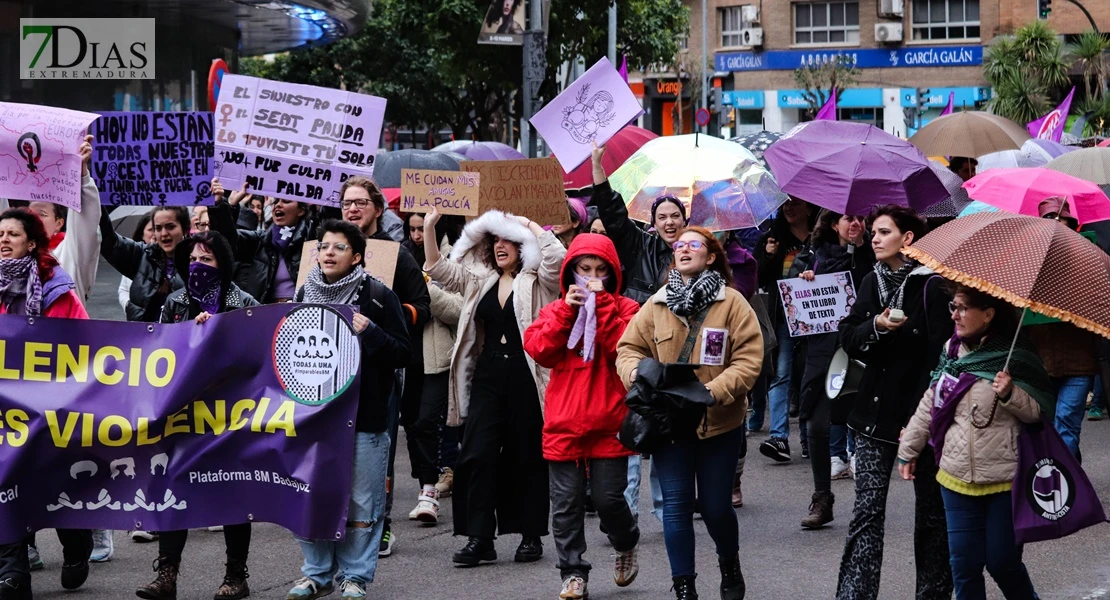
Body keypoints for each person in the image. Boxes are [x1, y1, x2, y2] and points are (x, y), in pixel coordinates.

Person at [616, 226, 764, 600]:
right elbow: (628, 349)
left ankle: (729, 562)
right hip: (670, 425)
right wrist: (637, 376)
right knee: (676, 509)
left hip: (719, 423)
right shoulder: (657, 304)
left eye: (692, 245)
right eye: (678, 246)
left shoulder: (732, 303)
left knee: (715, 508)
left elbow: (748, 360)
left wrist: (710, 393)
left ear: (711, 256)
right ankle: (685, 588)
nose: (682, 249)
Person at [422, 207, 565, 567]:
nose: (500, 245)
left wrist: (528, 223)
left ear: (522, 245)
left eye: (508, 240)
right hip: (486, 378)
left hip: (526, 377)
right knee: (476, 455)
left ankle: (530, 536)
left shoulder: (538, 279)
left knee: (527, 457)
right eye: (495, 239)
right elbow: (441, 271)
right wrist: (429, 229)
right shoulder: (481, 278)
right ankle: (479, 538)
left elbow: (559, 260)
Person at [898, 285, 1053, 600]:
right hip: (955, 477)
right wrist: (908, 449)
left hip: (1004, 480)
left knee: (1003, 563)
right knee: (965, 567)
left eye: (962, 308)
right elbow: (933, 400)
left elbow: (1039, 413)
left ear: (988, 314)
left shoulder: (1017, 355)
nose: (954, 315)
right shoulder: (952, 350)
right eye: (953, 306)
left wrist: (1010, 394)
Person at [286, 219, 412, 600]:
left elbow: (404, 353)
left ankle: (354, 576)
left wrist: (371, 332)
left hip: (365, 418)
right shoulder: (303, 295)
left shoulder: (377, 295)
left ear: (356, 256)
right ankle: (317, 573)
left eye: (338, 247)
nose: (328, 252)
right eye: (323, 246)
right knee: (312, 495)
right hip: (314, 419)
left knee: (362, 500)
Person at [835, 205, 953, 600]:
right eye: (872, 232)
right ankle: (854, 595)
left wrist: (918, 423)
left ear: (908, 239)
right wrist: (876, 326)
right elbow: (848, 335)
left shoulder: (932, 287)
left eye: (884, 232)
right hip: (870, 417)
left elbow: (939, 358)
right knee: (866, 514)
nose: (874, 238)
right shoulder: (872, 281)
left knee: (932, 518)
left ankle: (932, 594)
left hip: (918, 422)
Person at [136, 231, 258, 600]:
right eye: (192, 260)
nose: (197, 267)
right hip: (185, 415)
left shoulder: (243, 303)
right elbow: (161, 354)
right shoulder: (175, 303)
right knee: (175, 488)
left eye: (206, 260)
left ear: (222, 263)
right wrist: (189, 336)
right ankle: (167, 575)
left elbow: (255, 361)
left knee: (233, 492)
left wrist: (217, 336)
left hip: (230, 417)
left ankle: (236, 576)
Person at [523, 233, 642, 600]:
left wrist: (602, 303)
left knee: (609, 501)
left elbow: (622, 345)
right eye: (584, 269)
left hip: (610, 421)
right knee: (565, 506)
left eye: (600, 270)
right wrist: (565, 310)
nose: (591, 277)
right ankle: (573, 572)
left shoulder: (626, 307)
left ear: (612, 274)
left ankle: (626, 540)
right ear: (571, 272)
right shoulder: (557, 307)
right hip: (564, 421)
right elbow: (539, 348)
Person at [0, 208, 92, 600]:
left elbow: (86, 345)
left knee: (52, 484)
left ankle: (77, 547)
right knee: (5, 485)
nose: (3, 241)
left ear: (32, 242)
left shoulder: (57, 288)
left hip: (51, 408)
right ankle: (13, 574)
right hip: (6, 410)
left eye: (12, 235)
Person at [339, 176, 431, 555]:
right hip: (334, 368)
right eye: (347, 203)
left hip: (380, 369)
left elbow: (422, 306)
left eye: (361, 202)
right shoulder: (326, 249)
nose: (353, 209)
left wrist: (386, 318)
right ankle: (341, 520)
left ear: (378, 208)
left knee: (379, 449)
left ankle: (381, 523)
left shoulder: (396, 254)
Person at [795, 210, 874, 528]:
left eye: (860, 219)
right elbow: (795, 304)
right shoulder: (813, 255)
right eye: (848, 218)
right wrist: (805, 279)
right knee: (817, 425)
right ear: (833, 224)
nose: (855, 224)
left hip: (862, 351)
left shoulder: (872, 255)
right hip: (823, 354)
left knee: (866, 423)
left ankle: (870, 500)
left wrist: (859, 253)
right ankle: (822, 498)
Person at [399, 211, 463, 522]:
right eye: (410, 228)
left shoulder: (456, 256)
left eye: (421, 228)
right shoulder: (396, 254)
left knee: (427, 422)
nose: (415, 235)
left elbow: (458, 309)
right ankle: (427, 476)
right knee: (411, 423)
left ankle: (431, 488)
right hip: (403, 354)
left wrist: (426, 287)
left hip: (436, 356)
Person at [1026, 198, 1097, 459]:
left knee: (1066, 423)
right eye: (1048, 219)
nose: (1055, 224)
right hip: (1039, 359)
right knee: (1045, 426)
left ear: (1071, 224)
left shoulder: (1091, 255)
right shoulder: (1027, 261)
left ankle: (1063, 483)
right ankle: (1071, 482)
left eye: (1060, 219)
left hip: (1079, 360)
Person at [0, 134, 101, 305]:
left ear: (59, 223)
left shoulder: (69, 254)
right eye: (29, 212)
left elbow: (86, 222)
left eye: (42, 213)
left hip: (61, 332)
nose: (32, 218)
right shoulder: (11, 253)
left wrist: (81, 173)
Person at [754, 197, 816, 460]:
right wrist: (767, 256)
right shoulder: (773, 239)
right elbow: (758, 278)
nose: (789, 208)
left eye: (797, 203)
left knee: (810, 376)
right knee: (781, 374)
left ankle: (808, 437)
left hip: (815, 319)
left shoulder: (821, 238)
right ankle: (779, 437)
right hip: (782, 318)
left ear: (810, 207)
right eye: (785, 204)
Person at [208, 178, 311, 304]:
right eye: (276, 201)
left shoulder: (311, 241)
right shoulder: (260, 241)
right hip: (263, 314)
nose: (278, 205)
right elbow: (226, 242)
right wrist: (223, 206)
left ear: (301, 210)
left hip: (300, 315)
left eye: (286, 201)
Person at [100, 204, 188, 322]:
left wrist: (218, 207)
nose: (163, 233)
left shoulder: (199, 261)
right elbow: (110, 242)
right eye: (158, 228)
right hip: (144, 337)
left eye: (170, 227)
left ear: (185, 229)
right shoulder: (144, 255)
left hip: (181, 338)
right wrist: (95, 199)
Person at [117, 212, 156, 315]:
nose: (156, 233)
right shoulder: (134, 258)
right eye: (151, 230)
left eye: (159, 228)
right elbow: (123, 290)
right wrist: (130, 307)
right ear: (142, 234)